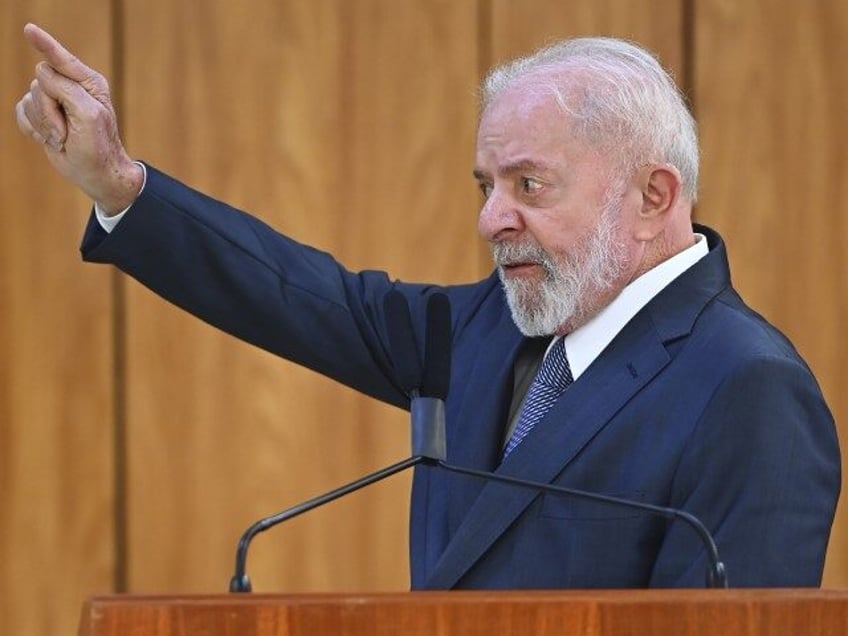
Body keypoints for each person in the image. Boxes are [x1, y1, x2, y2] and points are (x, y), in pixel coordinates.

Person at [17, 23, 840, 589]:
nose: (490, 218)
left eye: (529, 184)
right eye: (486, 186)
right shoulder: (489, 325)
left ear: (655, 196)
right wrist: (123, 188)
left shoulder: (748, 387)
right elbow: (303, 298)